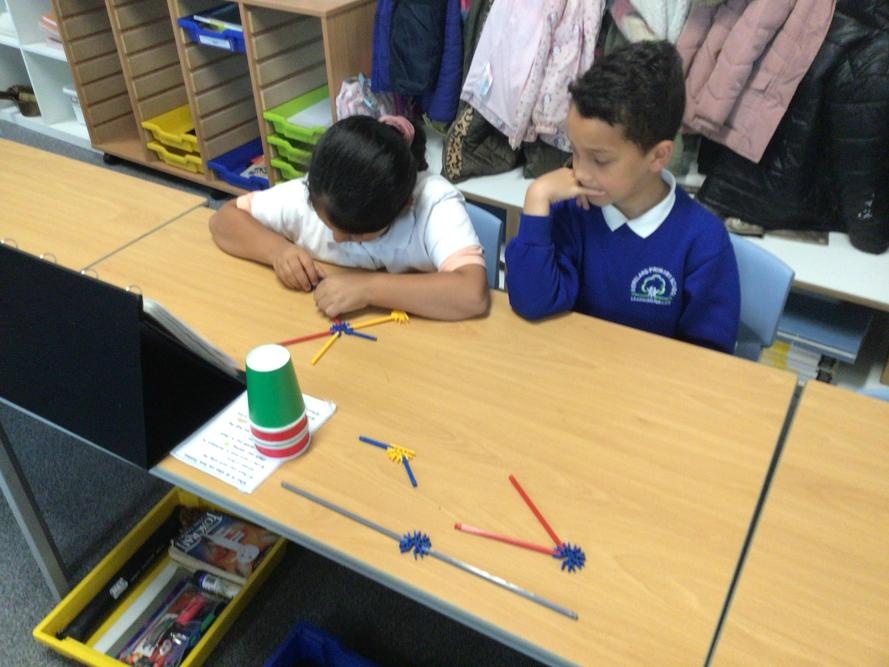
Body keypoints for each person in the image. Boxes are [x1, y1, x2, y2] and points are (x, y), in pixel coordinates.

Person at [505, 41, 740, 354]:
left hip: (651, 383)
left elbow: (709, 360)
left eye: (600, 160)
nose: (580, 171)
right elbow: (532, 304)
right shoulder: (571, 210)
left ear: (658, 156)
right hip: (572, 371)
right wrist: (537, 198)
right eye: (575, 151)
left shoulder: (703, 241)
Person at [209, 115, 489, 320]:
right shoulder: (323, 191)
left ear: (403, 205)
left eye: (355, 233)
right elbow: (224, 219)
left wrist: (368, 288)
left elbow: (471, 293)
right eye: (327, 224)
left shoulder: (433, 202)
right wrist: (278, 251)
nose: (337, 238)